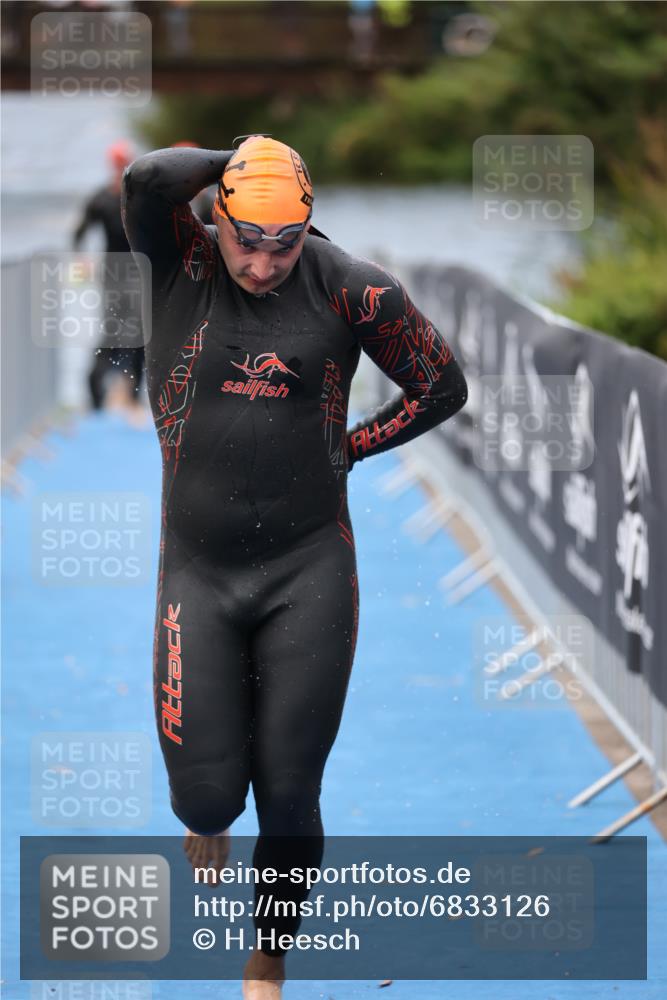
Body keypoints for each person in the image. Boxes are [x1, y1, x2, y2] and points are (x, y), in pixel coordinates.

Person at [121, 136, 467, 999]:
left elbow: (440, 387)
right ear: (220, 216)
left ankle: (269, 955)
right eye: (248, 238)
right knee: (205, 801)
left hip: (307, 570)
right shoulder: (179, 260)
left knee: (288, 792)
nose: (264, 262)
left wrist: (352, 448)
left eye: (284, 243)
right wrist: (243, 154)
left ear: (307, 226)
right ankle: (208, 816)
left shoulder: (353, 287)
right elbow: (145, 177)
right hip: (195, 575)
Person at [73, 140, 145, 414]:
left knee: (134, 333)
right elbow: (79, 234)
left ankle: (127, 397)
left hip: (135, 272)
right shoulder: (108, 198)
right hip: (118, 273)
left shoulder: (134, 198)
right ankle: (98, 393)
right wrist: (82, 260)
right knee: (121, 332)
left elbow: (78, 233)